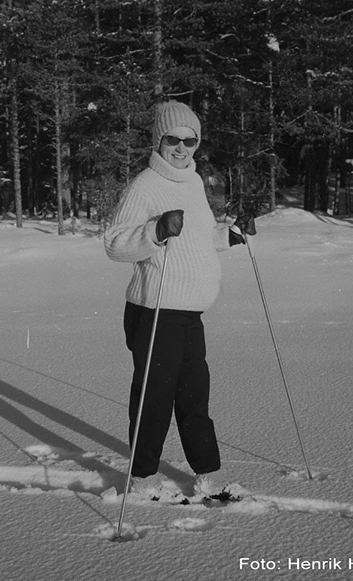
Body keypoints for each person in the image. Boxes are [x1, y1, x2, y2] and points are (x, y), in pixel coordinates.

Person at [104, 100, 256, 498]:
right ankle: (141, 478)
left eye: (190, 140)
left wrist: (230, 235)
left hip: (189, 312)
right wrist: (154, 230)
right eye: (173, 139)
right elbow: (116, 244)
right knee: (155, 397)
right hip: (155, 311)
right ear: (159, 139)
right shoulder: (145, 186)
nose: (181, 147)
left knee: (194, 395)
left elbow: (197, 242)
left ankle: (207, 472)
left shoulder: (193, 182)